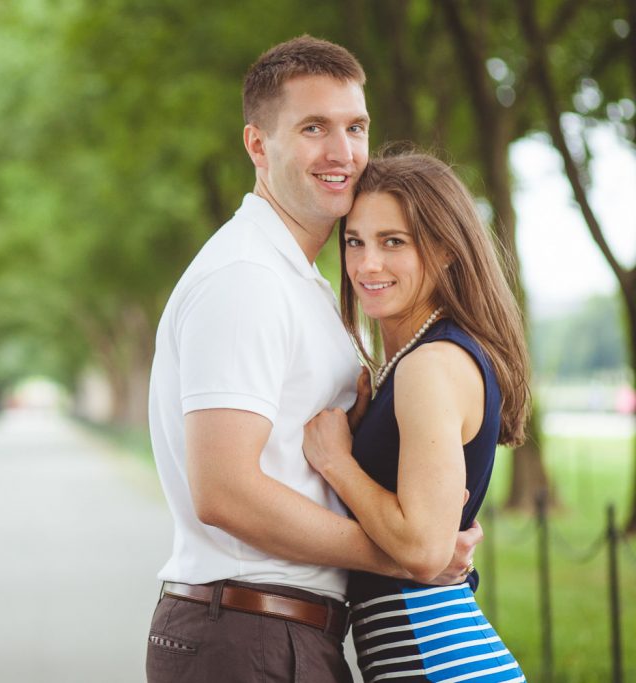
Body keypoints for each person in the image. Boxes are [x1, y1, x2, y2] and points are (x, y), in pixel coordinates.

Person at [145, 36, 481, 683]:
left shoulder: (301, 279)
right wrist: (406, 554)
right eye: (313, 128)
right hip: (247, 635)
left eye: (355, 126)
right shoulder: (245, 276)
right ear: (257, 145)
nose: (343, 152)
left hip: (282, 634)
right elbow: (224, 490)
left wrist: (426, 527)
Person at [302, 151, 530, 682]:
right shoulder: (420, 360)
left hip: (438, 663)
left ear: (447, 250)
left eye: (393, 242)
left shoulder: (429, 365)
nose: (366, 264)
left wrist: (338, 462)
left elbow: (427, 551)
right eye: (355, 241)